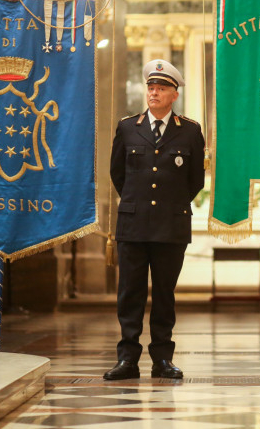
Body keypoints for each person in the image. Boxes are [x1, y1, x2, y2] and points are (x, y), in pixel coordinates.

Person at [105, 59, 205, 381]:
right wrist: (137, 204)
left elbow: (195, 180)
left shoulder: (189, 131)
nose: (154, 92)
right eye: (151, 87)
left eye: (161, 88)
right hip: (133, 226)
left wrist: (169, 205)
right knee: (129, 294)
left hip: (170, 226)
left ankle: (162, 359)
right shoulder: (127, 127)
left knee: (164, 295)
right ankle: (127, 360)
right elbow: (118, 174)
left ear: (174, 94)